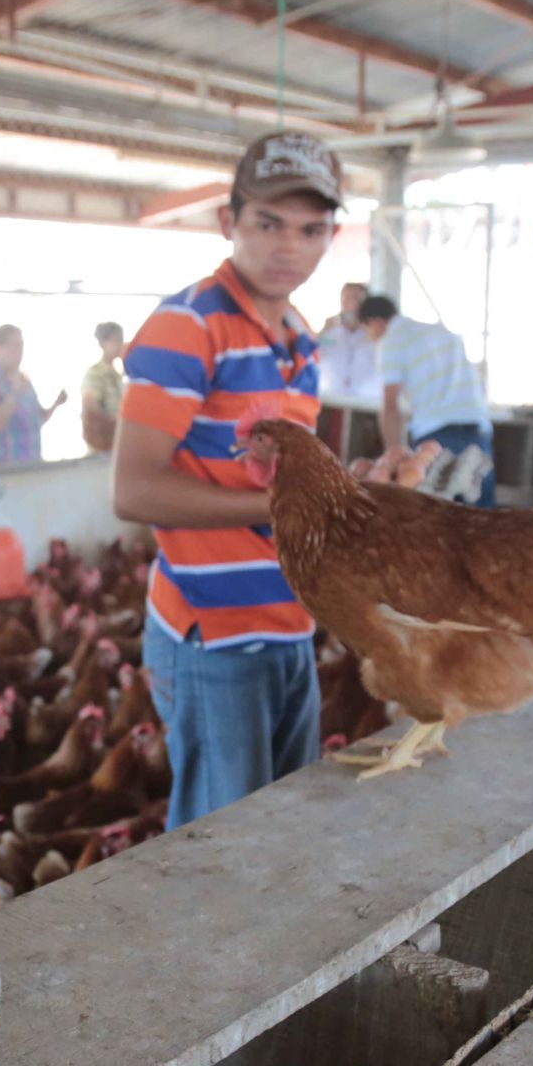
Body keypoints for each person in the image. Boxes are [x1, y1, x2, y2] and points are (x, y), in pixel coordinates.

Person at [114, 132, 339, 829]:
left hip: (288, 627)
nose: (288, 246)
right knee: (223, 848)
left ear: (331, 237)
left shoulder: (301, 340)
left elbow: (282, 477)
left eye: (310, 229)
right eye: (268, 223)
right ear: (229, 222)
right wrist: (287, 502)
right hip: (213, 635)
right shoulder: (190, 325)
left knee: (281, 830)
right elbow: (135, 491)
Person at [359, 295, 495, 506]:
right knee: (481, 518)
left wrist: (392, 457)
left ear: (375, 322)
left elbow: (390, 404)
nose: (370, 337)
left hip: (436, 435)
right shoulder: (442, 332)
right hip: (477, 429)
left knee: (436, 518)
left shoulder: (392, 338)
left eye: (367, 330)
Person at [0, 324, 65, 468]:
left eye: (21, 346)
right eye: (14, 346)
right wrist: (13, 395)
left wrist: (56, 404)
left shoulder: (24, 381)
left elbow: (37, 420)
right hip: (0, 473)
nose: (19, 352)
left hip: (31, 467)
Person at [317, 281, 380, 401]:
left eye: (356, 299)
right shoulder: (329, 334)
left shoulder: (377, 337)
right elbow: (308, 356)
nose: (351, 305)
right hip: (332, 401)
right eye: (346, 299)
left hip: (367, 404)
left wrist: (372, 331)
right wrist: (322, 332)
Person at [80, 321, 125, 454]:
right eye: (116, 340)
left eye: (121, 340)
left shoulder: (118, 376)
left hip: (116, 446)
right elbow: (92, 411)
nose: (120, 345)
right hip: (101, 448)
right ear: (103, 343)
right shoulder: (95, 374)